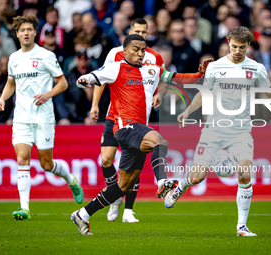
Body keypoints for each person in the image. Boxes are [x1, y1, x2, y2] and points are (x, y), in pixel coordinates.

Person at [71, 34, 212, 235]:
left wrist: (199, 75)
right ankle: (162, 182)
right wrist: (84, 80)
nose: (140, 53)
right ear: (125, 50)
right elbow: (91, 78)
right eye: (135, 49)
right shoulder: (116, 67)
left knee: (123, 185)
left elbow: (176, 78)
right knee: (159, 141)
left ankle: (83, 214)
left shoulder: (151, 70)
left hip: (138, 129)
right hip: (124, 126)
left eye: (143, 49)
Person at [164, 26, 271, 237]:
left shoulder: (256, 68)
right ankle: (181, 185)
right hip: (214, 130)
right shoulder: (216, 67)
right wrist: (188, 111)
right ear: (228, 42)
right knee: (198, 176)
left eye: (242, 47)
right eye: (234, 46)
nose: (237, 51)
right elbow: (204, 93)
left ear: (248, 46)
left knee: (245, 174)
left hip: (241, 131)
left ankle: (241, 227)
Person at [0, 13, 84, 221]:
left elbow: (62, 83)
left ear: (35, 33)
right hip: (21, 118)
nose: (26, 33)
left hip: (43, 117)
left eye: (29, 29)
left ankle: (70, 179)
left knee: (46, 164)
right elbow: (11, 83)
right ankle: (24, 209)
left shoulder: (46, 55)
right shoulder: (14, 58)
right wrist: (2, 99)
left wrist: (47, 95)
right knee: (22, 157)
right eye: (22, 30)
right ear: (17, 34)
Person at [90, 18, 165, 224]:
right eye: (137, 31)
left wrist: (158, 93)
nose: (141, 35)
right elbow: (101, 77)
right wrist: (95, 104)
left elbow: (159, 78)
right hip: (113, 115)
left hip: (137, 117)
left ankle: (129, 210)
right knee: (106, 160)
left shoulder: (154, 57)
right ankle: (114, 198)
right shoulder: (115, 53)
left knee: (134, 160)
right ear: (129, 33)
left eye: (144, 32)